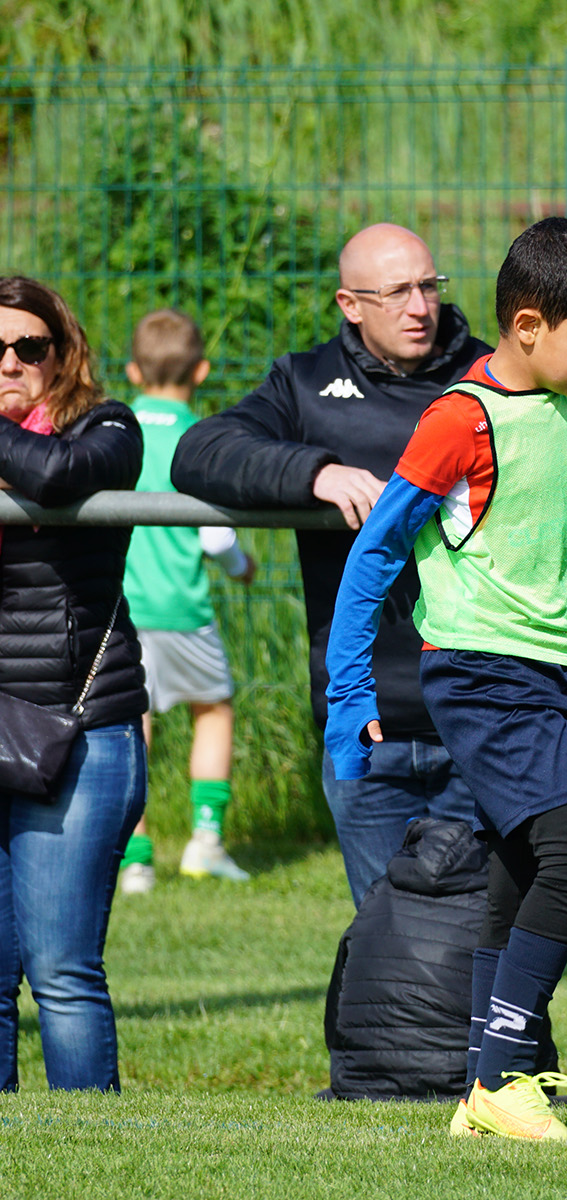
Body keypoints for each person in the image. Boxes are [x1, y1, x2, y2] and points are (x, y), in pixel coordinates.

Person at [324, 217, 567, 1143]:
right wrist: (350, 694)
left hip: (550, 676)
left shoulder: (566, 403)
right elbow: (374, 556)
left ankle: (483, 1087)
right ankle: (505, 1077)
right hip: (482, 675)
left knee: (517, 868)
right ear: (528, 327)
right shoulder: (460, 420)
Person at [171, 224, 493, 906]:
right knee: (383, 935)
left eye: (428, 286)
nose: (419, 307)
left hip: (481, 712)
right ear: (350, 304)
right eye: (396, 292)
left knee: (476, 932)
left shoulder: (493, 375)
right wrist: (313, 471)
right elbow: (200, 452)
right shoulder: (305, 382)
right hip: (364, 722)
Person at [0, 275, 148, 1090]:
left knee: (61, 969)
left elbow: (58, 476)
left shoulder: (108, 425)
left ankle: (89, 1134)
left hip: (79, 731)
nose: (10, 363)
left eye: (30, 346)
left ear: (62, 353)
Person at [117, 309, 257, 893]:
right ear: (201, 371)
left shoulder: (116, 431)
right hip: (183, 610)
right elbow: (217, 538)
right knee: (214, 709)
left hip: (121, 612)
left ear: (132, 371)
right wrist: (242, 568)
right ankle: (205, 841)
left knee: (131, 722)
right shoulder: (199, 438)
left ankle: (133, 858)